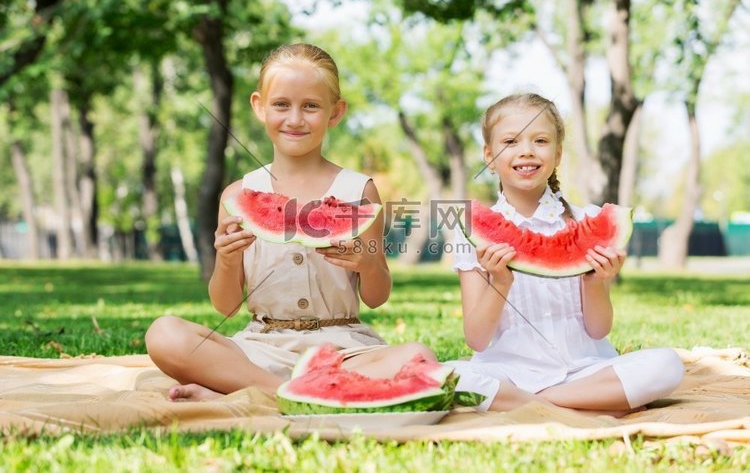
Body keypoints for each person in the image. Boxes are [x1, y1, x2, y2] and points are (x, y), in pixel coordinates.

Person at [146, 43, 435, 401]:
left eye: (311, 106)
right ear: (259, 107)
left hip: (343, 348)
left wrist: (370, 263)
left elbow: (376, 297)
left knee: (417, 355)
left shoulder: (359, 191)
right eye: (281, 104)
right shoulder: (238, 195)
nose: (295, 119)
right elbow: (226, 307)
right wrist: (227, 258)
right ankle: (291, 392)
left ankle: (249, 392)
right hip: (260, 349)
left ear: (335, 112)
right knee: (164, 334)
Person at [448, 93, 684, 415]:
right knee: (448, 376)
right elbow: (476, 340)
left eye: (540, 140)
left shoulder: (587, 219)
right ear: (489, 155)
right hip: (509, 372)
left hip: (584, 369)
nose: (526, 151)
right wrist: (500, 282)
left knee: (667, 365)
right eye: (511, 141)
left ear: (557, 154)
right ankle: (588, 403)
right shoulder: (470, 236)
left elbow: (599, 330)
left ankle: (539, 405)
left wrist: (596, 281)